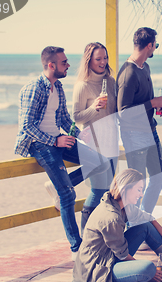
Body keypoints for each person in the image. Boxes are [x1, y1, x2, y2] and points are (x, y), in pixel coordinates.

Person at [14, 46, 109, 259]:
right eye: (64, 62)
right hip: (40, 144)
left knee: (100, 162)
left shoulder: (58, 87)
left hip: (58, 140)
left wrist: (76, 134)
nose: (68, 65)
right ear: (51, 65)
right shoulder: (34, 89)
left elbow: (65, 119)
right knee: (68, 194)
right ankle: (77, 248)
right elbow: (26, 126)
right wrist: (54, 140)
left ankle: (58, 186)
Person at [72, 168, 162, 282]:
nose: (141, 194)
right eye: (139, 190)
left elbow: (151, 220)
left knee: (145, 226)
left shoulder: (123, 205)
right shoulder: (111, 217)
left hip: (111, 256)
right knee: (148, 268)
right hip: (97, 271)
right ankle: (144, 273)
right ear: (126, 188)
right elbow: (122, 255)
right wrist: (151, 274)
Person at [116, 27, 162, 216]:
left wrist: (157, 106)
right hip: (133, 134)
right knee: (137, 184)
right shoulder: (128, 74)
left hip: (149, 130)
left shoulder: (145, 67)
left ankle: (141, 219)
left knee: (158, 178)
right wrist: (151, 103)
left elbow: (143, 101)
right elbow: (123, 113)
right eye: (155, 46)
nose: (155, 49)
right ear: (150, 45)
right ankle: (135, 225)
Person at [72, 42, 119, 235]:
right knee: (97, 190)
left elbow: (116, 111)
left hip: (112, 142)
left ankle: (99, 233)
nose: (103, 62)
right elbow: (76, 117)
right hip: (94, 144)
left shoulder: (111, 81)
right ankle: (86, 234)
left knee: (108, 191)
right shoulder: (82, 86)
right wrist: (94, 108)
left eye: (105, 58)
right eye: (98, 59)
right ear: (89, 60)